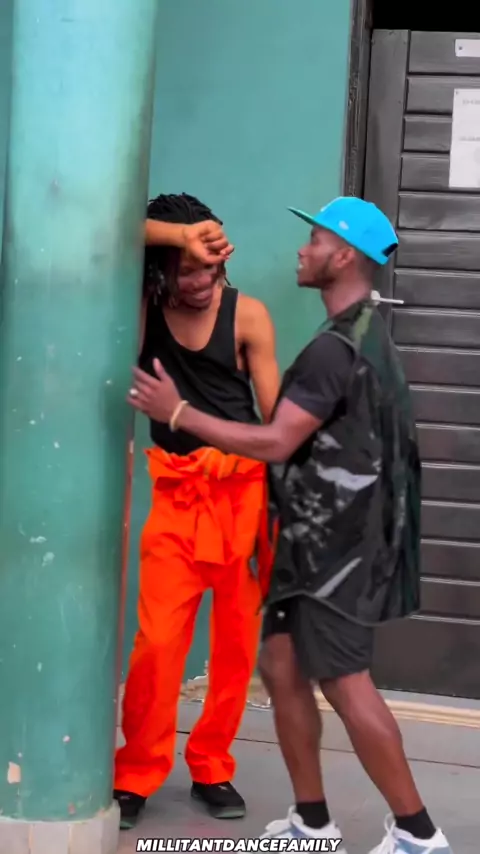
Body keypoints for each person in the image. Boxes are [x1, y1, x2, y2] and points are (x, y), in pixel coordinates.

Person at [127, 196, 454, 854]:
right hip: (299, 533)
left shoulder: (334, 348)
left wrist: (180, 412)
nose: (300, 250)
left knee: (336, 680)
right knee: (277, 664)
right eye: (188, 266)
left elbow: (279, 439)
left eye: (314, 240)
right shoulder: (354, 335)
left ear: (343, 255)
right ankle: (310, 820)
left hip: (323, 540)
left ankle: (417, 833)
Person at [115, 193, 280, 830]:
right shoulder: (141, 312)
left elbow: (279, 423)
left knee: (236, 648)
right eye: (186, 268)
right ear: (160, 270)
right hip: (178, 499)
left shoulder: (248, 315)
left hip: (244, 498)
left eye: (210, 266)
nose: (202, 279)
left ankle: (212, 765)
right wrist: (176, 239)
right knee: (157, 645)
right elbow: (110, 228)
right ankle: (136, 771)